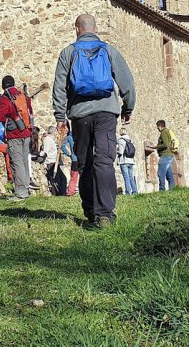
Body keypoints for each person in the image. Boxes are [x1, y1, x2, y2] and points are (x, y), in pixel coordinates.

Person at [51, 13, 136, 228]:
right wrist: (128, 107)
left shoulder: (68, 52)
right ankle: (105, 214)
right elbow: (126, 81)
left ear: (77, 29)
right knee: (104, 160)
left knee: (85, 162)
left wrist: (60, 116)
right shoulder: (109, 51)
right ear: (95, 29)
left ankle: (90, 210)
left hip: (80, 114)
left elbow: (59, 87)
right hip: (106, 112)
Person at [0, 75, 34, 199]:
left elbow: (0, 117)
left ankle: (21, 192)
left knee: (17, 163)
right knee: (24, 162)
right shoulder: (23, 96)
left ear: (3, 85)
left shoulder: (5, 98)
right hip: (26, 132)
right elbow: (30, 112)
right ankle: (26, 189)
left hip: (14, 134)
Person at [148, 120, 179, 191]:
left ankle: (162, 190)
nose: (157, 128)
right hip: (169, 155)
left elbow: (165, 144)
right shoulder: (167, 131)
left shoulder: (163, 132)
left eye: (157, 126)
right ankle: (172, 189)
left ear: (160, 126)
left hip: (165, 155)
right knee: (169, 174)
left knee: (161, 173)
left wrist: (155, 147)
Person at [40, 124, 65, 195]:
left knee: (60, 179)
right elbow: (45, 152)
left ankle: (60, 194)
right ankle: (59, 194)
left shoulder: (51, 140)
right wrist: (44, 163)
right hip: (51, 162)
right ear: (54, 132)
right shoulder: (48, 140)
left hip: (54, 162)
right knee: (57, 179)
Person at [116, 127, 138, 195]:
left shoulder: (121, 140)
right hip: (131, 161)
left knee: (126, 177)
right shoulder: (129, 140)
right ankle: (135, 191)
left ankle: (128, 192)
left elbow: (121, 152)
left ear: (120, 132)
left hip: (124, 161)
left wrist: (116, 150)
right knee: (131, 177)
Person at [61, 127, 79, 195]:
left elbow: (63, 145)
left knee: (74, 176)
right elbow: (63, 145)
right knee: (76, 175)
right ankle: (71, 191)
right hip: (80, 158)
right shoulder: (83, 133)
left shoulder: (69, 136)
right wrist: (69, 154)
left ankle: (71, 191)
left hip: (75, 158)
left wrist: (69, 154)